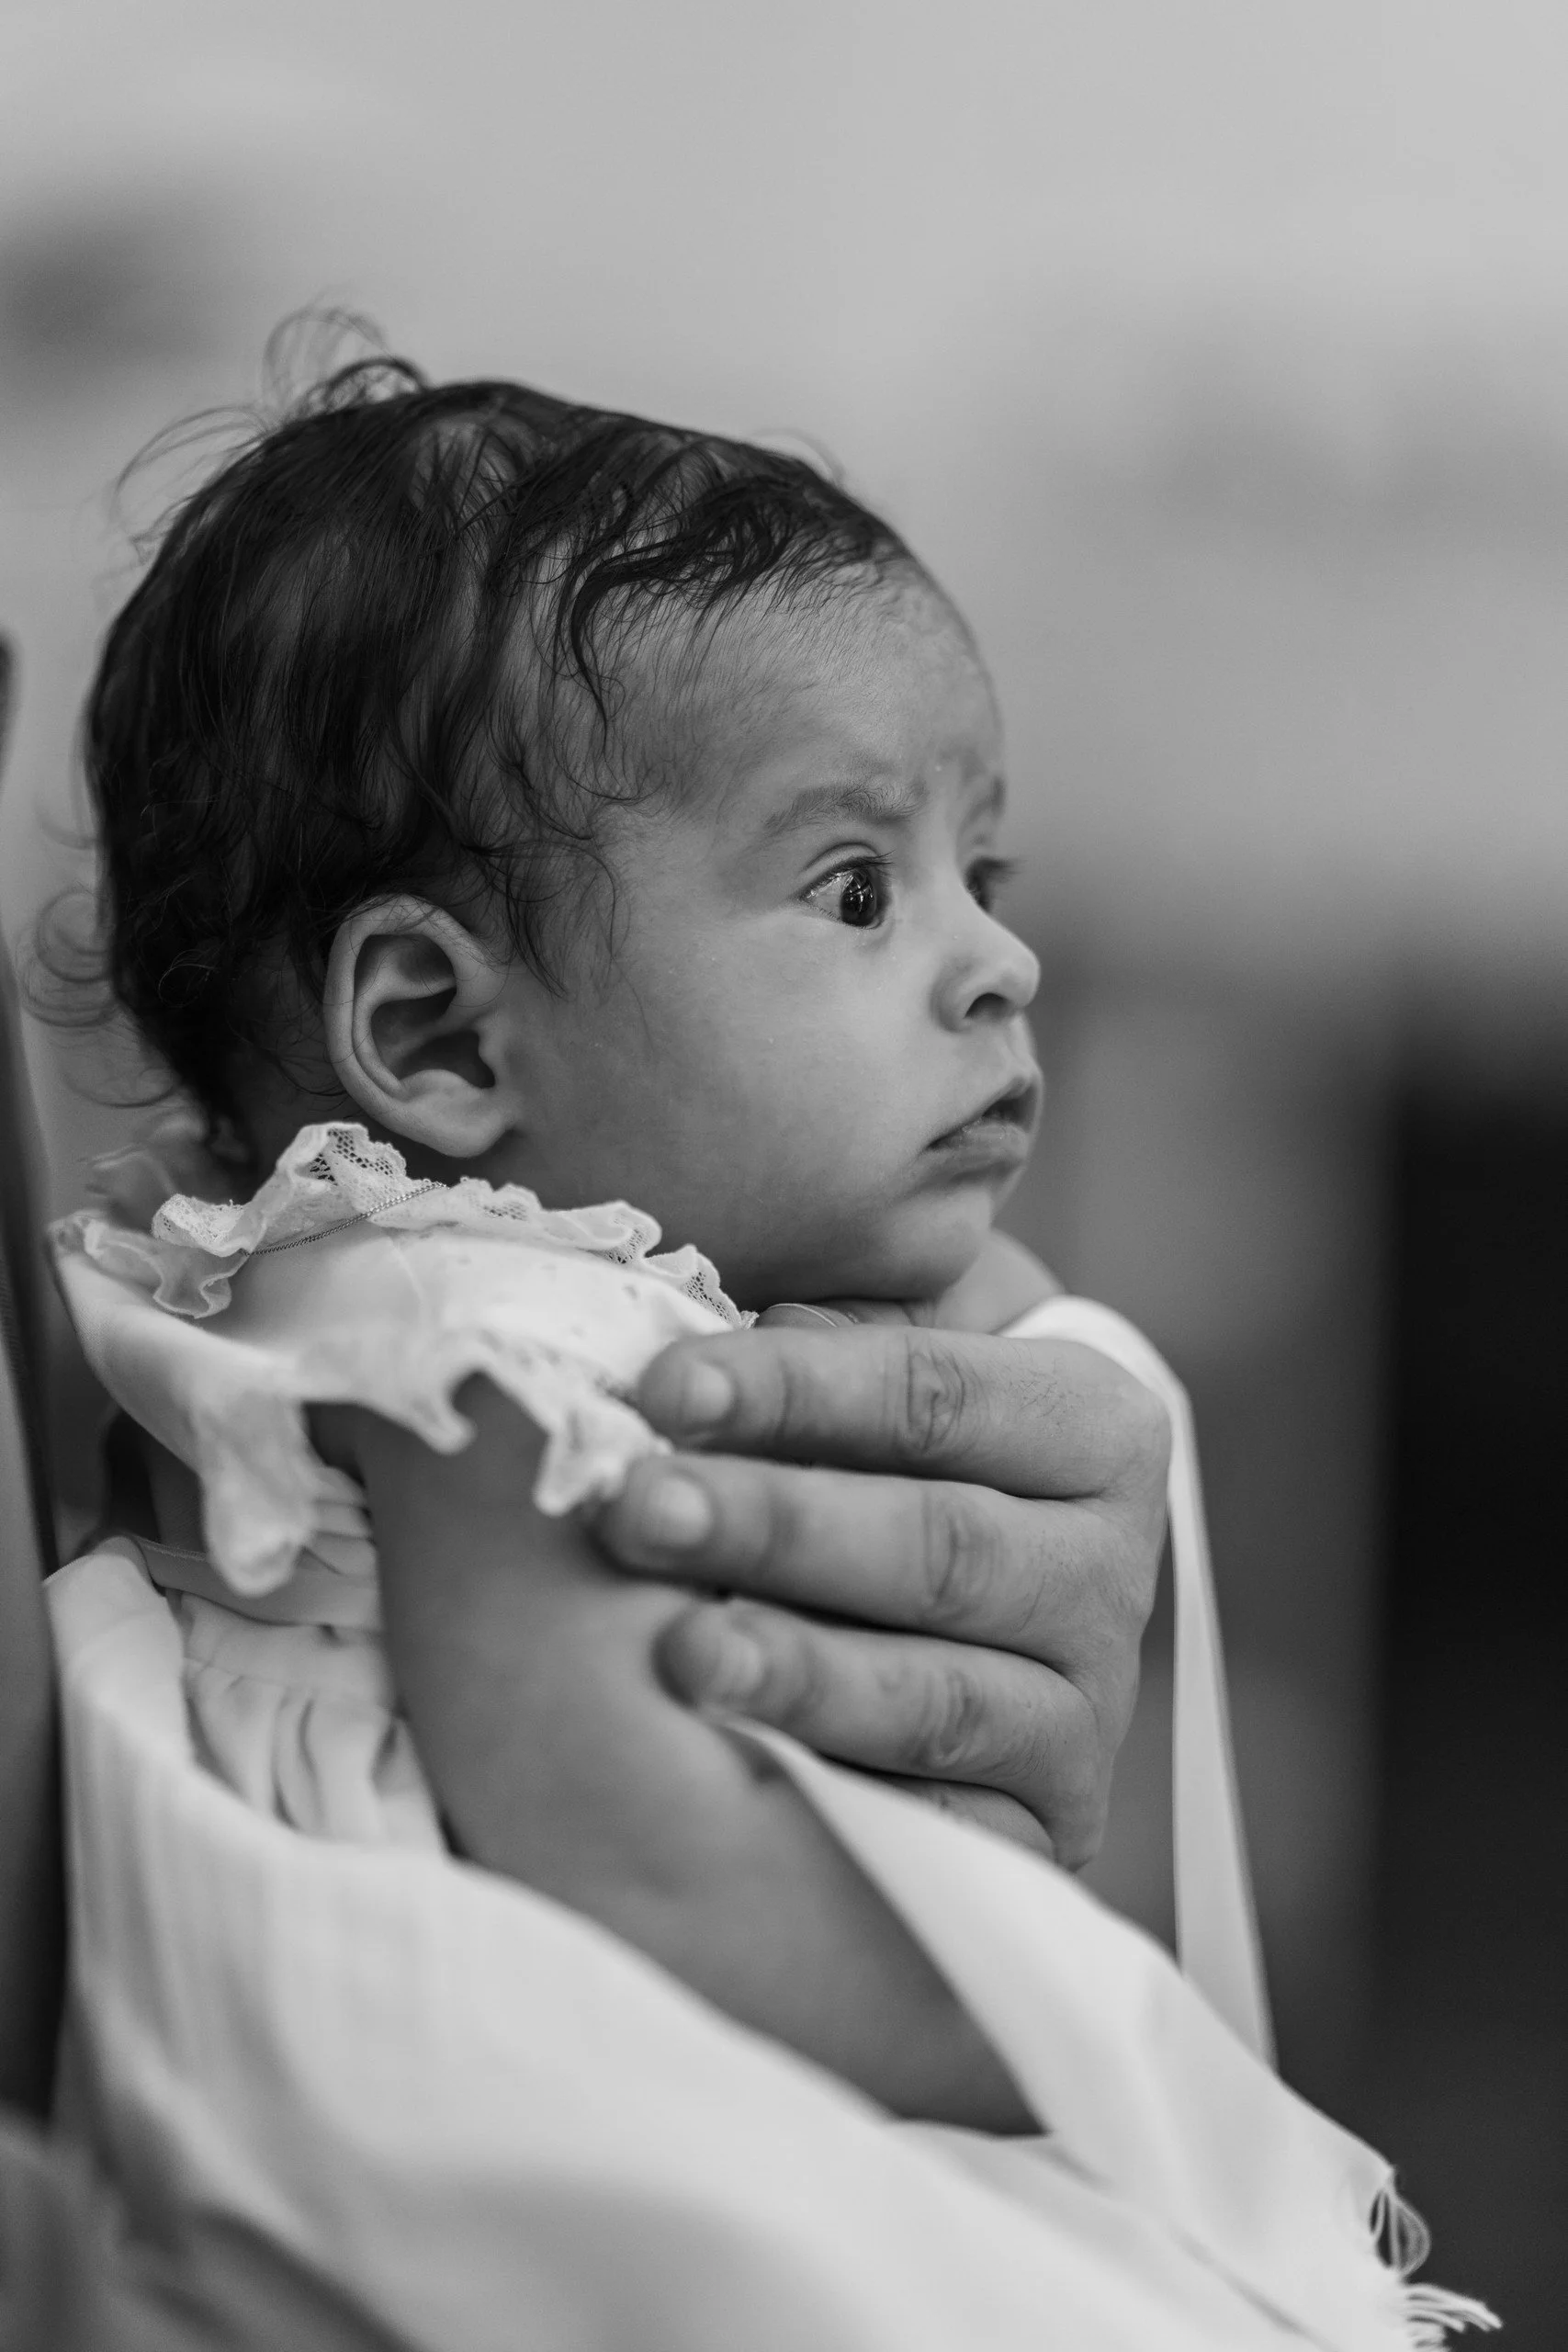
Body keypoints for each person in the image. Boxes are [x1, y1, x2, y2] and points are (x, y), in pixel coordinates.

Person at [42, 351, 1487, 2346]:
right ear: (447, 1040)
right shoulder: (478, 1334)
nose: (1000, 962)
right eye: (852, 886)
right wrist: (1058, 2032)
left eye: (980, 876)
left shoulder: (593, 1296)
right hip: (516, 2090)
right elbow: (646, 1877)